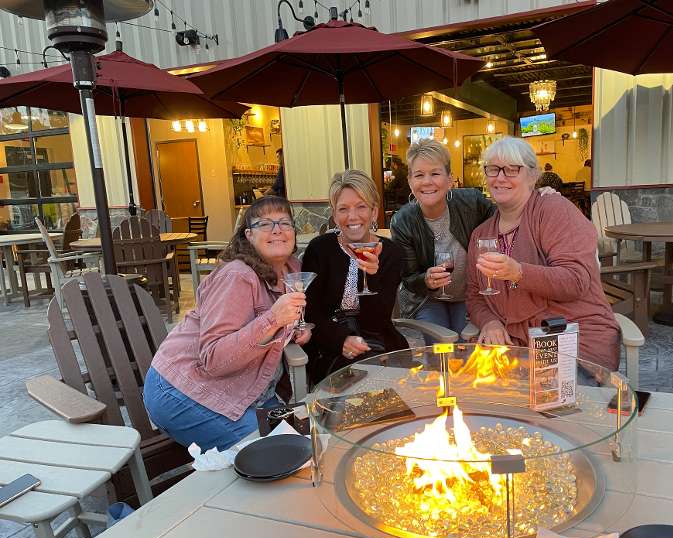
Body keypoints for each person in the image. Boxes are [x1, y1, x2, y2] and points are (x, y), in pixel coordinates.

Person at [143, 196, 308, 451]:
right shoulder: (237, 276)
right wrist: (273, 319)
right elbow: (213, 359)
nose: (277, 230)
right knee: (284, 450)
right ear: (249, 236)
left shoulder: (291, 271)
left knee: (306, 434)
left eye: (284, 222)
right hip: (183, 392)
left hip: (247, 395)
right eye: (265, 224)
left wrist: (293, 332)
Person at [466, 137, 620, 369]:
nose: (500, 177)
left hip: (569, 335)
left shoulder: (554, 210)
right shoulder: (481, 234)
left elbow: (575, 280)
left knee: (552, 400)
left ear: (532, 175)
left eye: (511, 169)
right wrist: (489, 322)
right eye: (493, 169)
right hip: (514, 343)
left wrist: (518, 272)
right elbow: (474, 294)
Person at [302, 169, 408, 383]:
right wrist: (341, 340)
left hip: (377, 343)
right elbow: (311, 314)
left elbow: (376, 322)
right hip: (329, 344)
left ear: (374, 211)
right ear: (334, 215)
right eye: (343, 209)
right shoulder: (319, 250)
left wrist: (371, 275)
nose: (352, 217)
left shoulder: (391, 253)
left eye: (361, 207)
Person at [390, 138, 494, 337]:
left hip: (469, 294)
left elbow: (508, 216)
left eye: (435, 173)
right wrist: (426, 280)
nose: (427, 181)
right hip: (427, 298)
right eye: (419, 175)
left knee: (465, 348)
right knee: (441, 348)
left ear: (450, 179)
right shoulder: (402, 221)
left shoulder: (472, 202)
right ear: (410, 181)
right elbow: (409, 278)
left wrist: (538, 198)